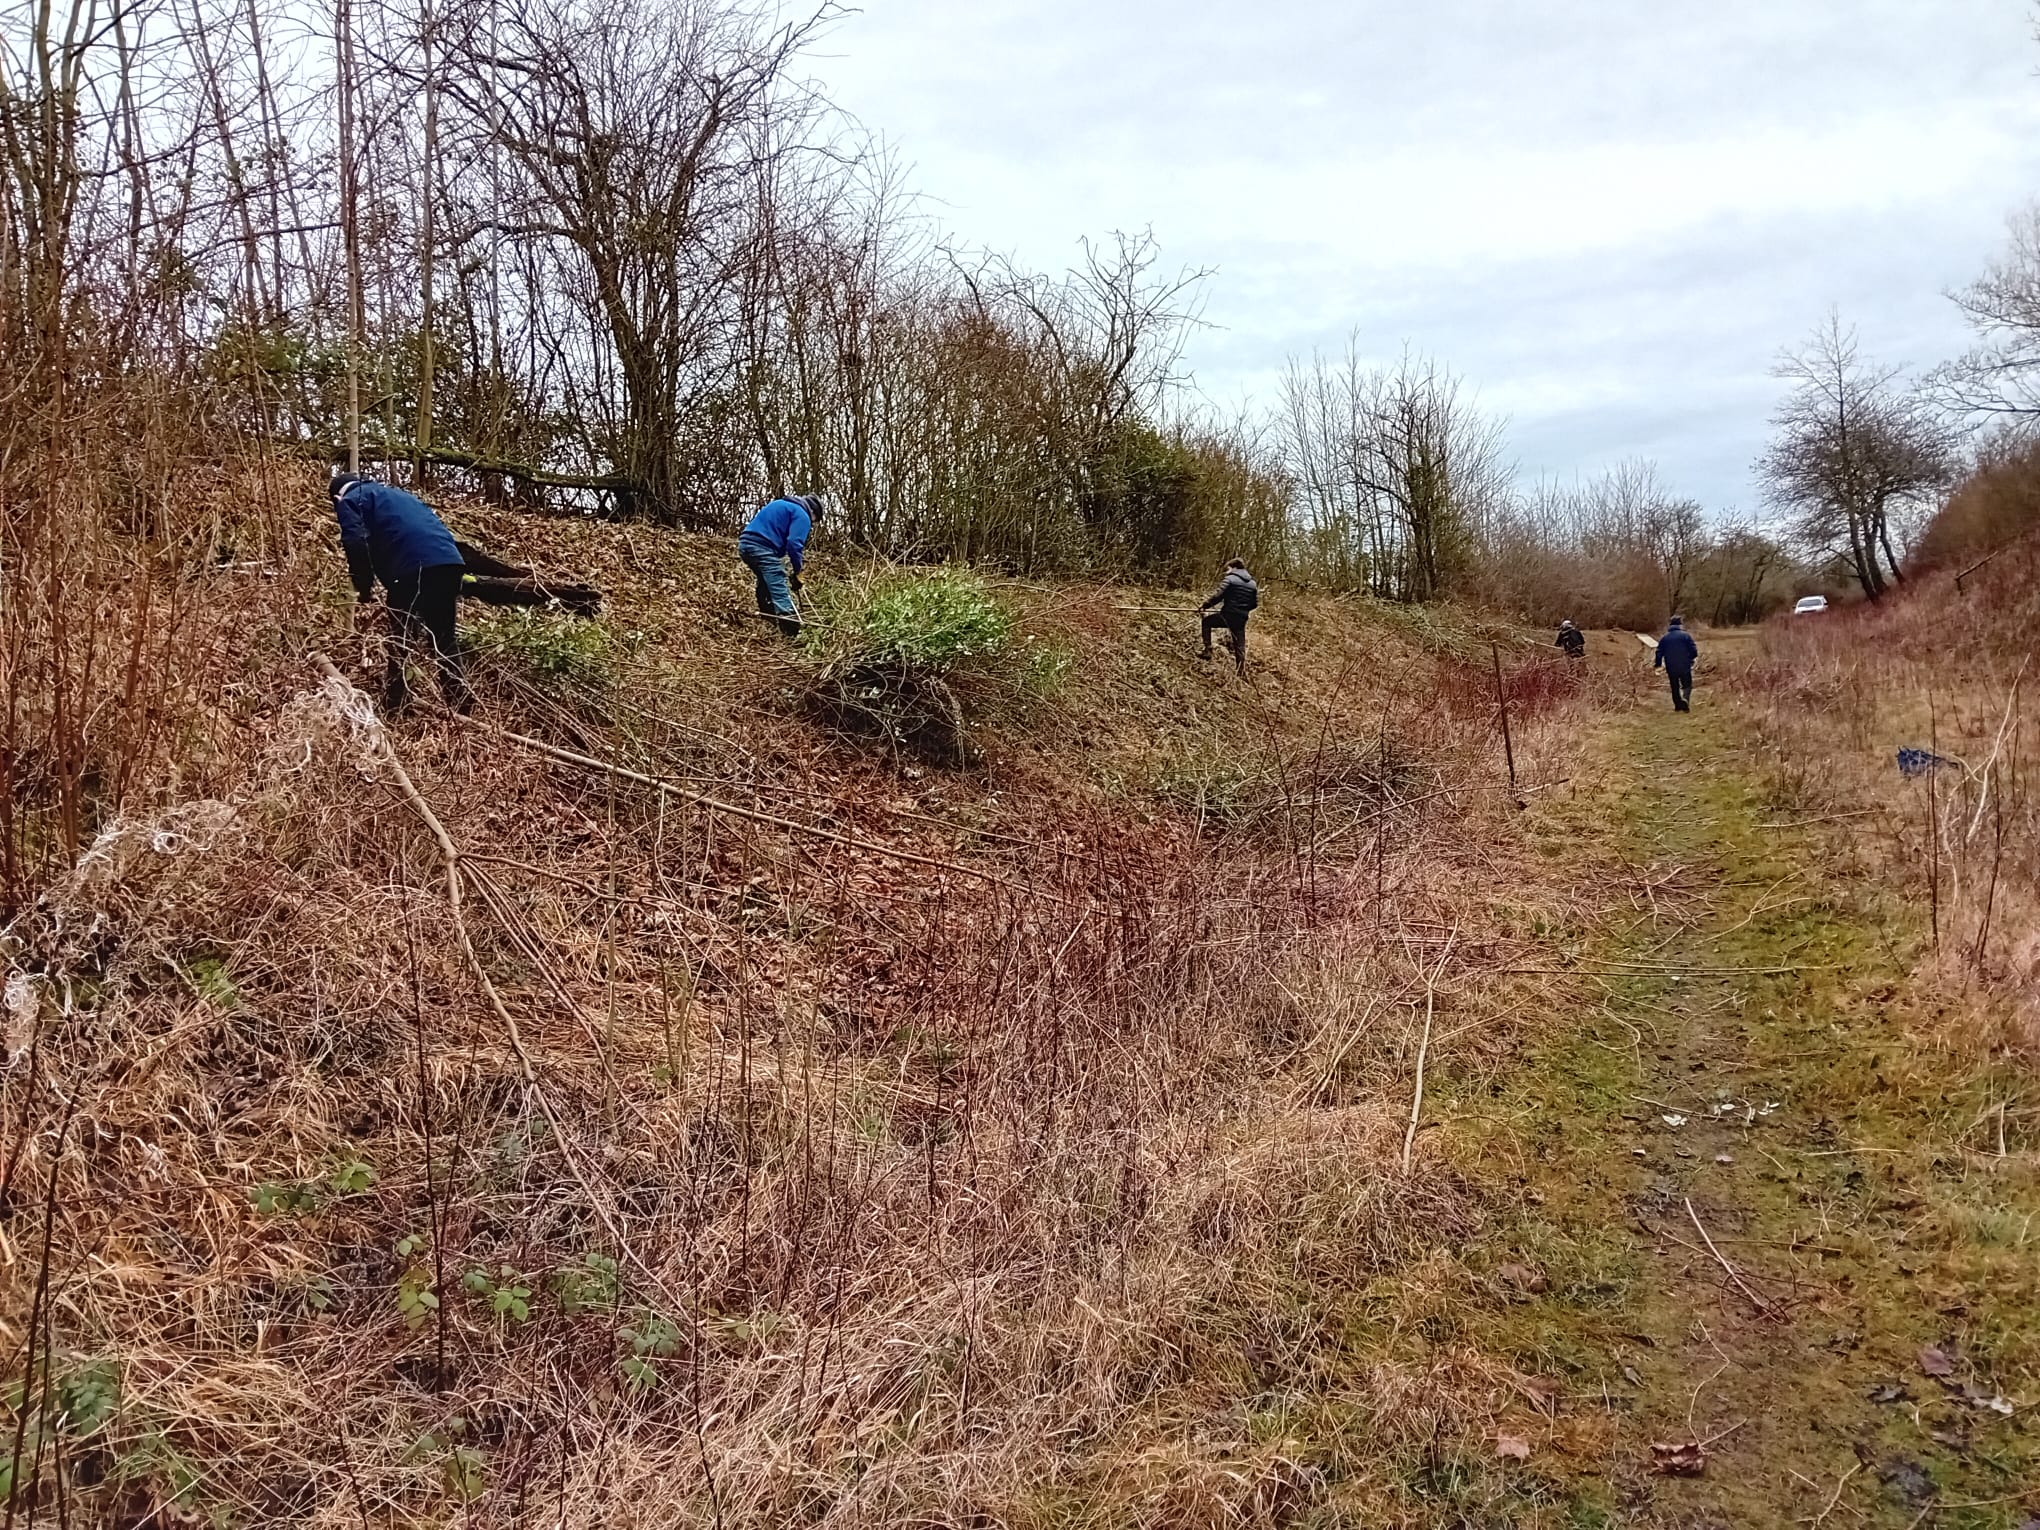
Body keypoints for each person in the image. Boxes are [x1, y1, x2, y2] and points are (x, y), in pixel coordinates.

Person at [331, 473, 473, 714]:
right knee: (444, 638)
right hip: (449, 563)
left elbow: (355, 541)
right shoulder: (396, 495)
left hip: (411, 569)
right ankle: (460, 703)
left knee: (401, 638)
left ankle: (396, 705)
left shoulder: (350, 499)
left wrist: (363, 587)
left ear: (336, 496)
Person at [738, 493, 821, 637]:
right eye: (814, 521)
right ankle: (791, 630)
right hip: (761, 547)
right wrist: (798, 571)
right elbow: (794, 544)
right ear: (813, 513)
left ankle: (768, 618)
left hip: (745, 545)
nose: (812, 524)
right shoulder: (802, 515)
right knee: (777, 581)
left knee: (766, 579)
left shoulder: (780, 504)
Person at [1199, 558, 1260, 675]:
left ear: (1234, 567)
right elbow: (1254, 604)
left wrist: (1205, 606)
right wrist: (1243, 610)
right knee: (1239, 644)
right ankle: (1241, 671)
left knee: (1207, 622)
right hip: (1241, 618)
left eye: (1228, 569)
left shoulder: (1230, 579)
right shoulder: (1252, 584)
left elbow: (1218, 595)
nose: (1227, 572)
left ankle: (1207, 650)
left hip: (1228, 615)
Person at [1654, 615, 1699, 712]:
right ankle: (1685, 700)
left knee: (1674, 686)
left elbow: (1658, 651)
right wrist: (1691, 659)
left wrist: (1658, 664)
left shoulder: (1665, 638)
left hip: (1670, 665)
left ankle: (1678, 705)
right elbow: (1693, 650)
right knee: (1687, 684)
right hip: (1684, 664)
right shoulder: (1686, 636)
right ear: (1680, 624)